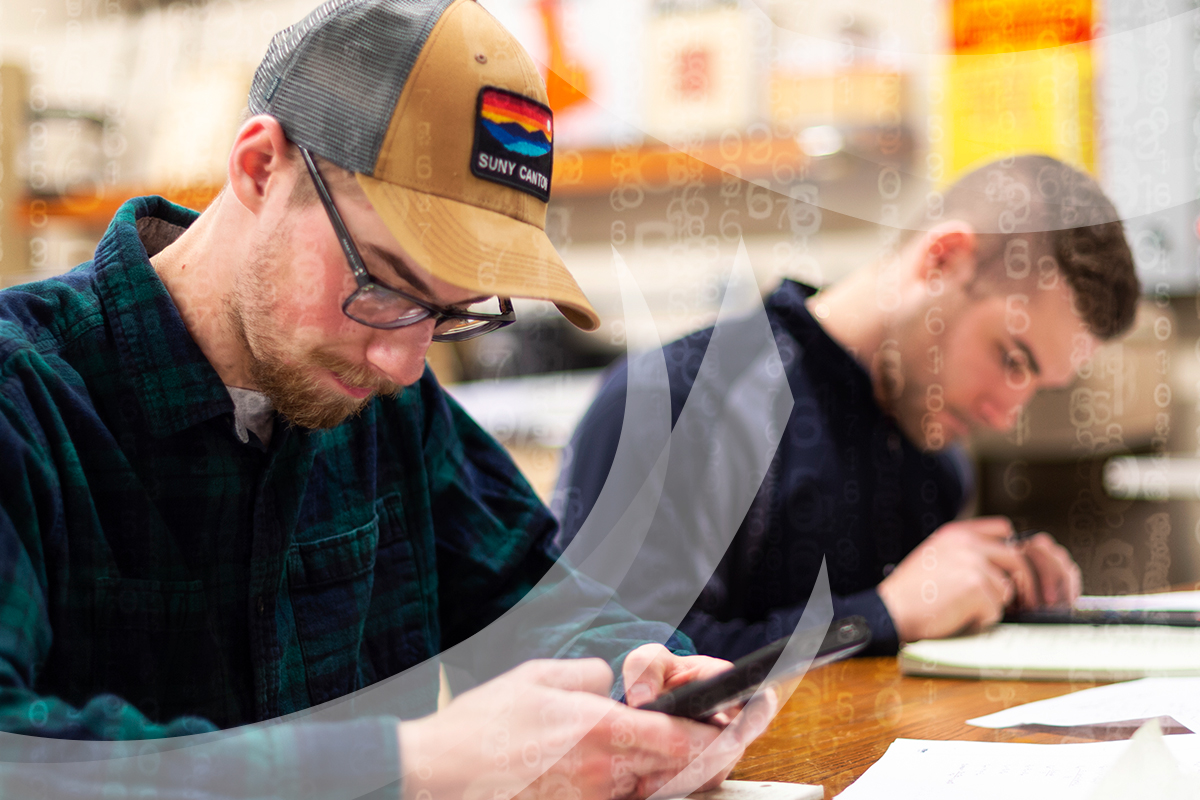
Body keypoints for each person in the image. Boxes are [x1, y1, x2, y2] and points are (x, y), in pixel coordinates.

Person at [0, 0, 771, 797]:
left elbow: (535, 605)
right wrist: (414, 767)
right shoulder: (23, 398)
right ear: (262, 167)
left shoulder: (383, 400)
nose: (403, 363)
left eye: (450, 311)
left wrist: (646, 676)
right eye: (382, 282)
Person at [554, 154, 1140, 659]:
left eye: (1038, 385)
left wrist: (998, 587)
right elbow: (609, 671)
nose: (1005, 415)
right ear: (943, 260)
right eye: (1012, 360)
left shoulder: (937, 462)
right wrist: (878, 616)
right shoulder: (678, 401)